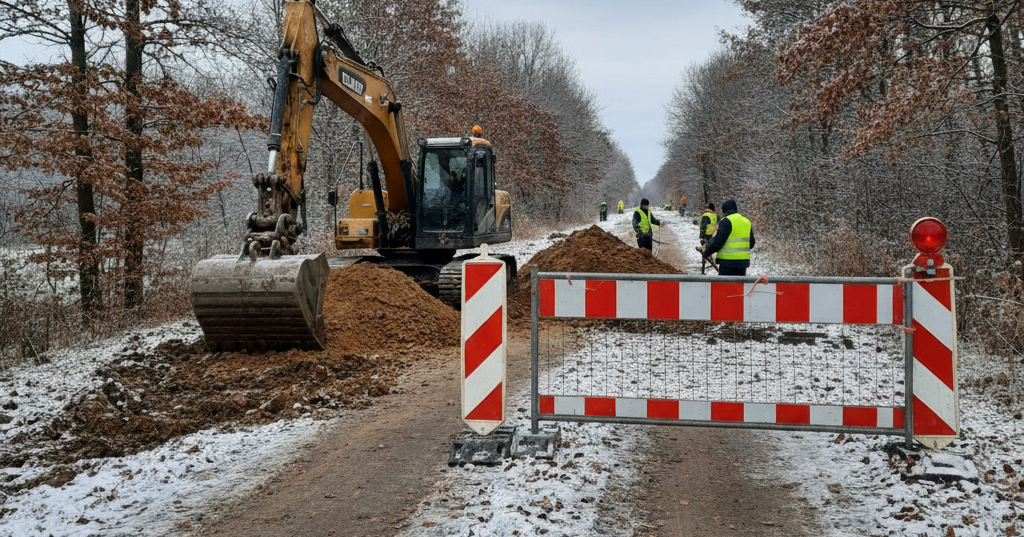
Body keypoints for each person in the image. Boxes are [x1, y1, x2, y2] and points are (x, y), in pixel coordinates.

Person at [702, 199, 754, 276]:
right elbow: (752, 243)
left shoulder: (726, 221)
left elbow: (718, 241)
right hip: (743, 263)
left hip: (727, 263)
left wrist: (706, 251)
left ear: (724, 211)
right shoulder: (746, 221)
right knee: (739, 287)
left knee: (726, 287)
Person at [698, 203, 717, 274]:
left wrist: (701, 236)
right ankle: (710, 261)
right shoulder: (714, 215)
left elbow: (703, 226)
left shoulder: (706, 215)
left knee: (704, 250)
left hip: (706, 235)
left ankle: (703, 267)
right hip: (711, 234)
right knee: (709, 249)